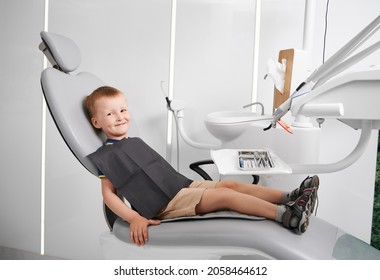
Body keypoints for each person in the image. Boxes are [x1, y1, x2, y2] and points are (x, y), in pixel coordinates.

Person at [84, 86, 319, 247]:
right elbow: (108, 195)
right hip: (164, 204)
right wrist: (134, 217)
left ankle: (291, 196)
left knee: (227, 184)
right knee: (225, 195)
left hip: (179, 187)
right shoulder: (107, 156)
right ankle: (287, 216)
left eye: (123, 110)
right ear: (97, 122)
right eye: (110, 113)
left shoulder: (133, 142)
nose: (120, 116)